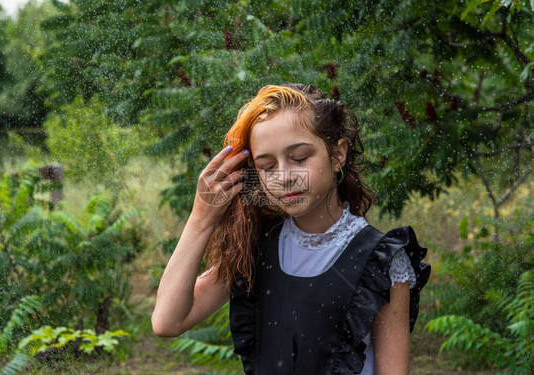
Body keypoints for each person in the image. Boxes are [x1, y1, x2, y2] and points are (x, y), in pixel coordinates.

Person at [152, 84, 431, 374]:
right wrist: (202, 218)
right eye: (267, 166)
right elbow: (167, 321)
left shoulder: (381, 260)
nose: (284, 177)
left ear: (337, 155)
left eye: (299, 158)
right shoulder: (256, 248)